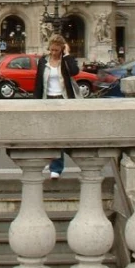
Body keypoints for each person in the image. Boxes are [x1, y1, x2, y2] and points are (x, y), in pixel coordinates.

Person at [34, 34, 80, 178]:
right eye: (51, 50)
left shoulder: (66, 61)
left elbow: (74, 71)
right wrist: (35, 102)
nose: (53, 52)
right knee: (50, 134)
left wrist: (66, 55)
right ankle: (54, 161)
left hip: (63, 99)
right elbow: (38, 83)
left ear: (62, 49)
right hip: (47, 99)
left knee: (58, 134)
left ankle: (56, 166)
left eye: (56, 50)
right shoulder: (43, 61)